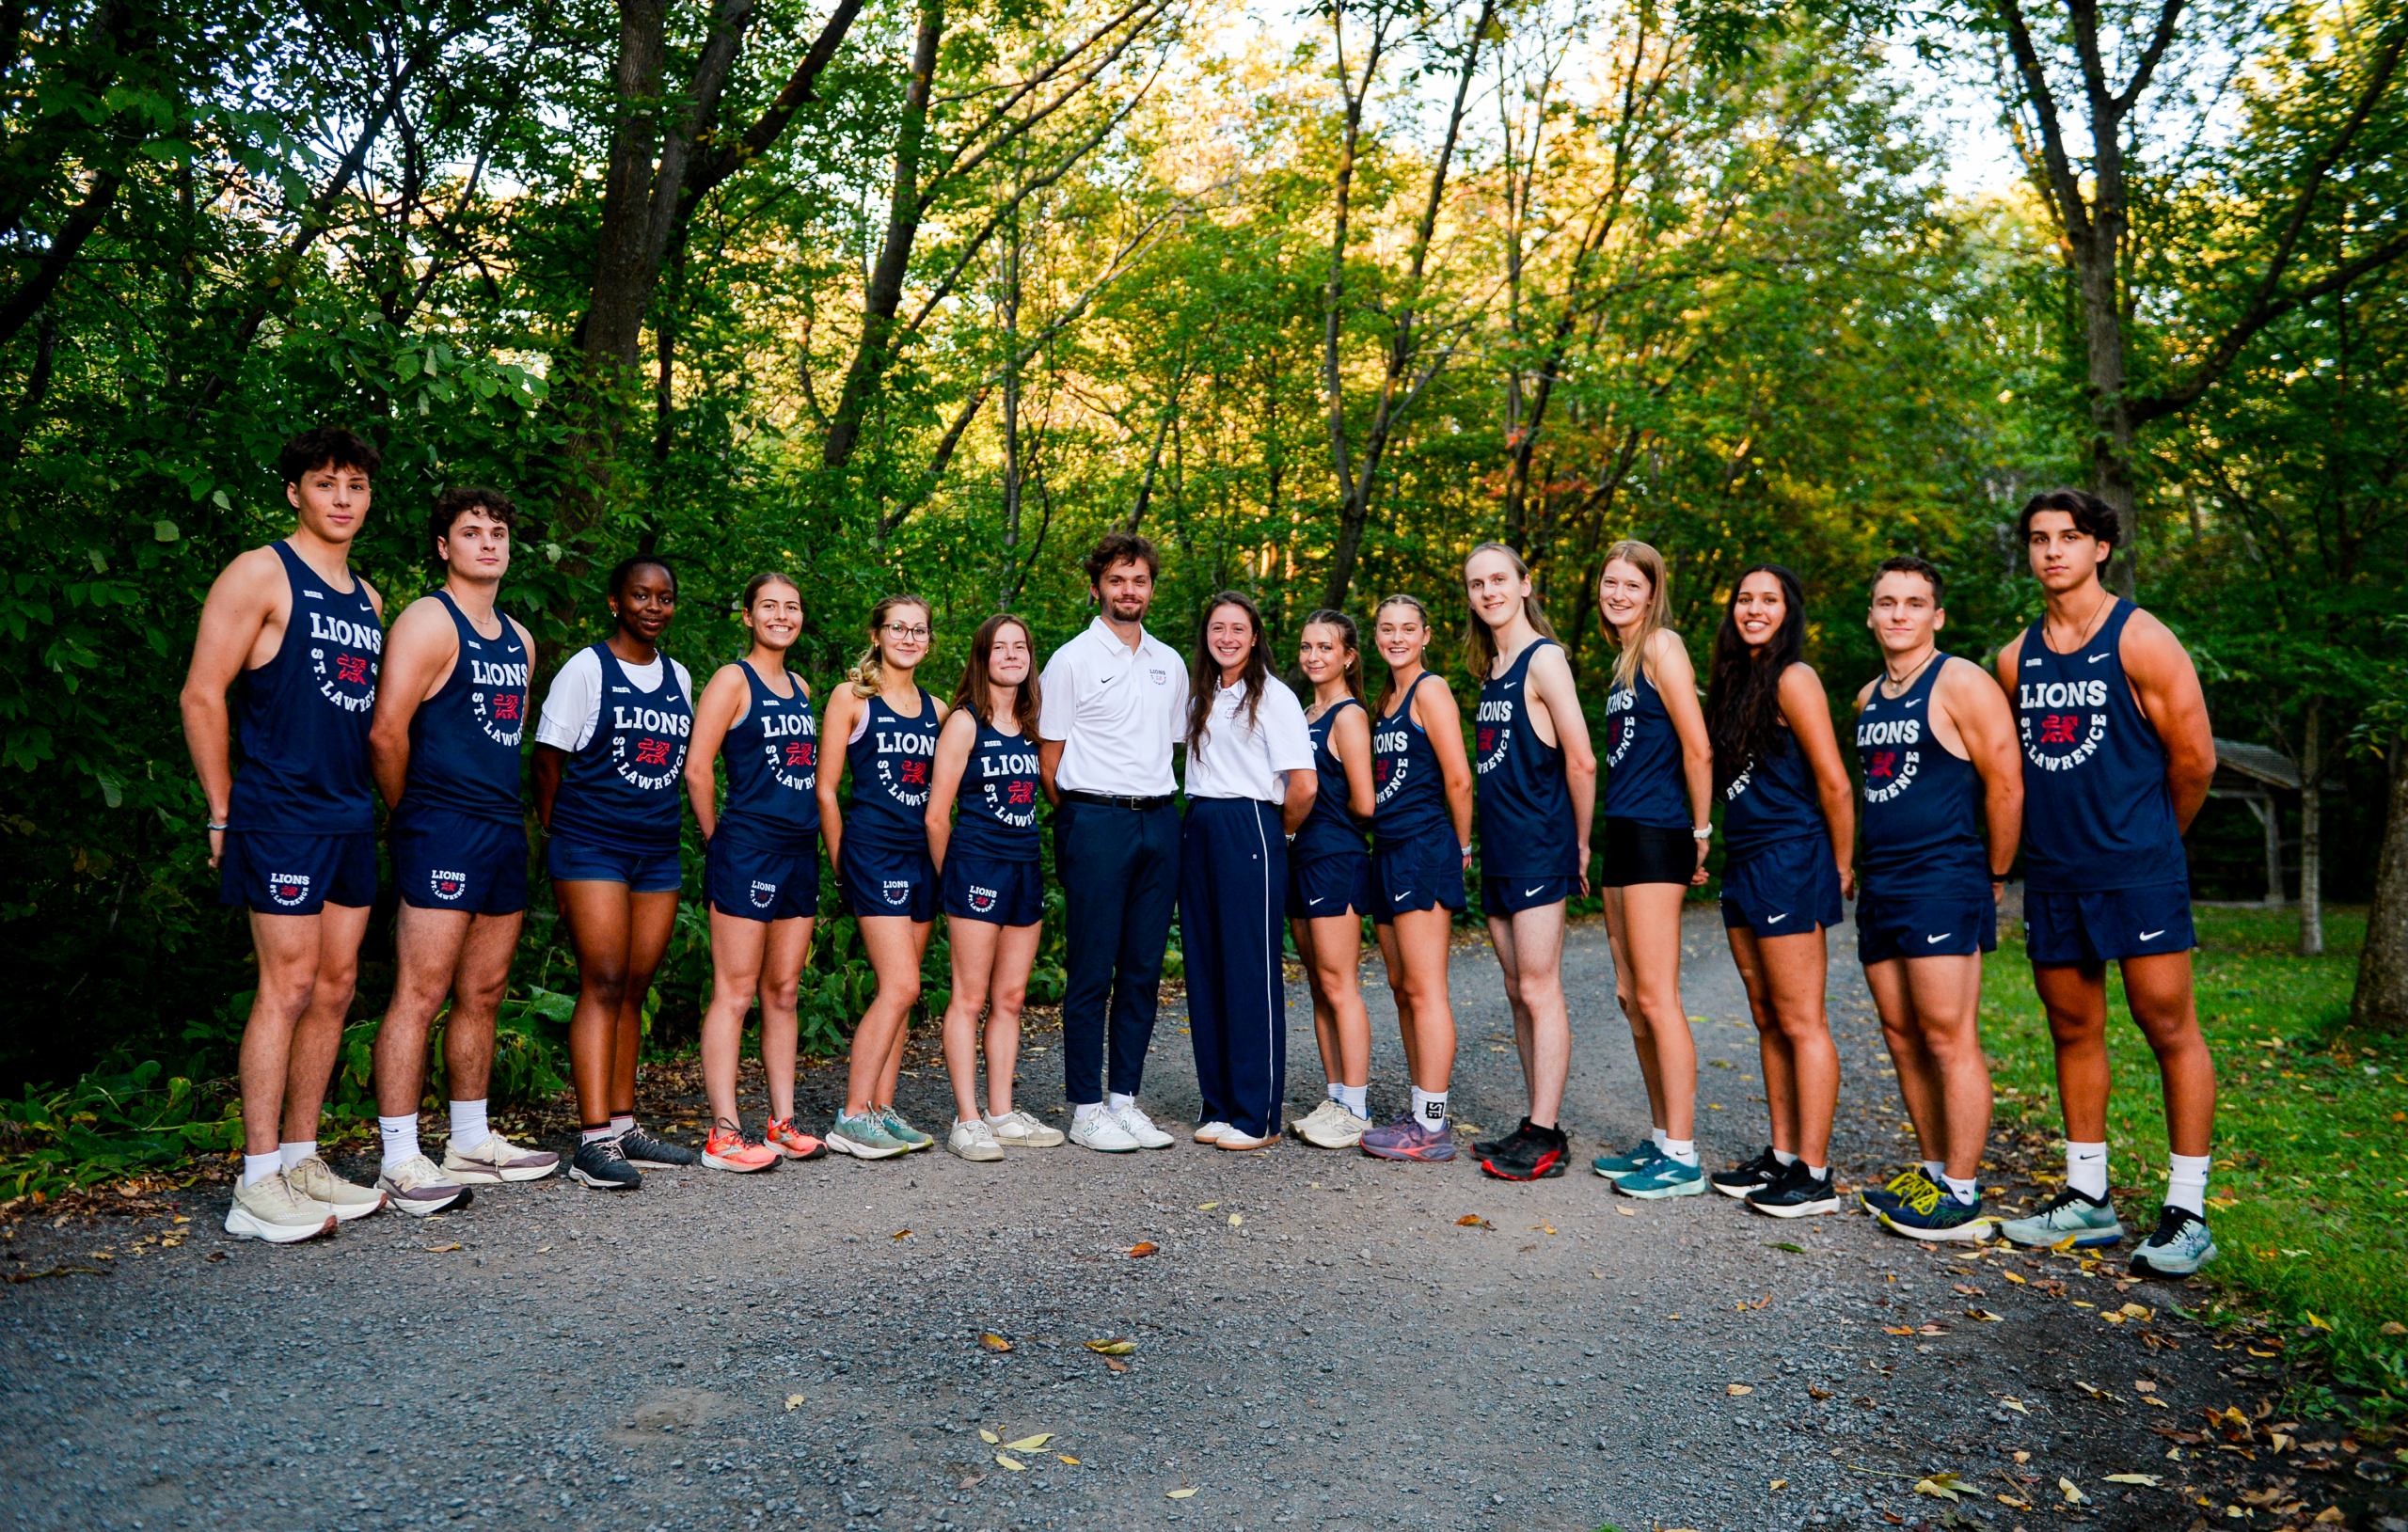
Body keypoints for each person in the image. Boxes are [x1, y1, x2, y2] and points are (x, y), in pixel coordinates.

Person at [1994, 490, 2220, 1277]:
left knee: (2168, 1026)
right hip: (2057, 873)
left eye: (2070, 537)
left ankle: (2186, 1211)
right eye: (2039, 538)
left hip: (2138, 870)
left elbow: (2195, 763)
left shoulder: (2143, 638)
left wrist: (2153, 844)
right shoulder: (2015, 657)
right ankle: (2087, 1198)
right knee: (2072, 1027)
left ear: (2100, 548)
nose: (2053, 550)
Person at [182, 427, 391, 1241]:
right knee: (289, 984)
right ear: (296, 493)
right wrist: (222, 808)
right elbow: (203, 694)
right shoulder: (262, 572)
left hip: (345, 813)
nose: (343, 498)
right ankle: (256, 1180)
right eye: (326, 483)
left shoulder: (369, 599)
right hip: (277, 811)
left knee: (336, 987)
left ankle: (302, 1158)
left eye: (356, 486)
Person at [366, 486, 560, 1217]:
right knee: (420, 991)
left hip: (500, 826)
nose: (488, 542)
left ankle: (470, 1138)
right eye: (471, 532)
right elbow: (387, 731)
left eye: (498, 532)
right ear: (443, 546)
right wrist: (409, 813)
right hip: (440, 823)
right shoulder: (427, 619)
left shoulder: (520, 637)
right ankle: (397, 1158)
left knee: (483, 991)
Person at [1850, 556, 2021, 1240]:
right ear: (1871, 613)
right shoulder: (1867, 697)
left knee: (1950, 1037)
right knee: (1901, 1035)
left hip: (1944, 877)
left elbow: (2006, 782)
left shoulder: (1962, 682)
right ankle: (1930, 1170)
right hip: (1883, 881)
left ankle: (1962, 1187)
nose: (1899, 614)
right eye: (1886, 601)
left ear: (1936, 616)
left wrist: (1997, 872)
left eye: (1914, 603)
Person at [533, 555, 701, 1192]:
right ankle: (591, 1139)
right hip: (592, 846)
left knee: (634, 983)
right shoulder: (586, 668)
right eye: (640, 595)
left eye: (664, 597)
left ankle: (626, 1126)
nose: (654, 607)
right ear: (614, 602)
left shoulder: (679, 676)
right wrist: (563, 836)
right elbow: (548, 760)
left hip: (655, 849)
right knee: (601, 979)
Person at [1702, 564, 1853, 1218]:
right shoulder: (1736, 680)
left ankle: (1815, 1174)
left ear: (1789, 610)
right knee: (1767, 1016)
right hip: (1747, 861)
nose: (1754, 608)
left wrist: (1843, 863)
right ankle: (1784, 1154)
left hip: (1792, 856)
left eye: (1769, 600)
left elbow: (1835, 781)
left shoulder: (1796, 677)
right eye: (1745, 598)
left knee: (1801, 1019)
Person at [1037, 532, 1188, 1153]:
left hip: (1159, 820)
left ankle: (1125, 1099)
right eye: (1118, 580)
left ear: (1152, 588)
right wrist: (1084, 819)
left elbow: (1172, 744)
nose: (1130, 591)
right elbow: (1050, 760)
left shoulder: (1170, 662)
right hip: (1095, 821)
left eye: (1140, 580)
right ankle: (1085, 1106)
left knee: (1144, 970)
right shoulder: (1070, 659)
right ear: (1096, 586)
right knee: (1092, 969)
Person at [684, 572, 828, 1175]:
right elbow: (697, 768)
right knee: (736, 992)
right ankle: (723, 1133)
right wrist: (723, 840)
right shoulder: (731, 680)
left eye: (791, 607)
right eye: (768, 606)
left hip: (798, 851)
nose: (781, 615)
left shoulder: (798, 684)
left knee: (784, 992)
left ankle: (782, 1123)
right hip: (747, 849)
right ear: (747, 616)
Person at [1463, 544, 1597, 1181]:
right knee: (1519, 990)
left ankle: (1546, 1134)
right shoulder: (1494, 666)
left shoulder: (1544, 658)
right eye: (1476, 583)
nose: (1488, 591)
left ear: (1524, 584)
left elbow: (1581, 756)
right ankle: (1533, 1120)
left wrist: (1581, 842)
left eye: (1498, 579)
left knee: (1541, 987)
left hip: (1540, 844)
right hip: (1501, 849)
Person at [1586, 541, 1715, 1198]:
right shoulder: (1622, 659)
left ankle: (1685, 1156)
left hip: (1661, 832)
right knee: (1630, 995)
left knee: (1658, 996)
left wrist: (1700, 831)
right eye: (1610, 582)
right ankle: (1663, 1138)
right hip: (1624, 832)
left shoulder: (1662, 646)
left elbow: (1697, 745)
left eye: (1630, 584)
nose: (1617, 593)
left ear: (1652, 590)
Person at [1181, 593, 1317, 1152]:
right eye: (1218, 627)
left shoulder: (1276, 697)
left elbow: (1303, 785)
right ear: (1207, 635)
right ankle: (1219, 1105)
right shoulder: (1201, 694)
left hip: (1252, 826)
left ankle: (1257, 1114)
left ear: (1255, 637)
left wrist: (1275, 834)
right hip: (1199, 823)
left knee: (1249, 971)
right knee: (1206, 967)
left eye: (1239, 628)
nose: (1228, 637)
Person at [926, 613, 1063, 1161]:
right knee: (970, 997)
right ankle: (967, 1120)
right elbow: (937, 817)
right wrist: (954, 879)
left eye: (1020, 646)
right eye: (999, 648)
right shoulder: (964, 723)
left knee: (1009, 999)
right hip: (977, 869)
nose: (1011, 655)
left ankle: (1002, 1114)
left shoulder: (1034, 724)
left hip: (1025, 867)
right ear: (982, 659)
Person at [818, 595, 947, 1160]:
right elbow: (826, 788)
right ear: (877, 634)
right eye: (898, 628)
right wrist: (841, 860)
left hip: (921, 858)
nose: (909, 638)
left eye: (919, 630)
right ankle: (850, 1115)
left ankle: (881, 1108)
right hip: (873, 853)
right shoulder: (852, 698)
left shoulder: (938, 710)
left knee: (903, 992)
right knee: (901, 986)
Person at [1360, 595, 1473, 1162]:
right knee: (1404, 988)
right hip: (1388, 851)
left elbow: (1458, 776)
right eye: (1387, 628)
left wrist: (1463, 844)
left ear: (1426, 635)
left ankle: (1432, 1127)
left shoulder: (1431, 689)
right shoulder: (1385, 698)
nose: (1397, 637)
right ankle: (1419, 1109)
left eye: (1408, 628)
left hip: (1425, 846)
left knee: (1426, 989)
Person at [1285, 610, 1378, 1150]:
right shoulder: (1302, 712)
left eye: (1326, 647)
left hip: (1335, 857)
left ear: (1348, 656)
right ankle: (1336, 1094)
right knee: (1319, 982)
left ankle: (1357, 1106)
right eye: (1306, 646)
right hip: (1300, 857)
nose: (1314, 656)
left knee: (1340, 982)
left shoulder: (1348, 716)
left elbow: (1364, 801)